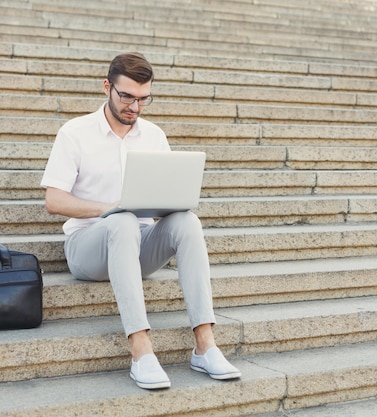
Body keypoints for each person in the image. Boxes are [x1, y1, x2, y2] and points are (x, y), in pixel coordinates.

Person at [40, 52, 241, 390]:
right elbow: (54, 201)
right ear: (107, 87)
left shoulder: (154, 135)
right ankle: (141, 349)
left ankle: (205, 344)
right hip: (88, 249)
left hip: (139, 247)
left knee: (187, 221)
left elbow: (163, 204)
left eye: (144, 99)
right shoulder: (74, 132)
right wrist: (111, 208)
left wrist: (169, 204)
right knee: (122, 221)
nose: (135, 106)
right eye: (127, 97)